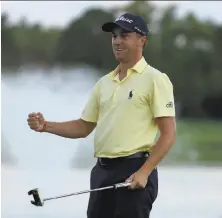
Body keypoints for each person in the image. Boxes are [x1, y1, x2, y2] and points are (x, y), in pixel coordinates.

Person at [27, 13, 176, 218]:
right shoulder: (104, 83)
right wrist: (46, 126)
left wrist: (144, 171)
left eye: (124, 35)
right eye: (114, 36)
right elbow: (83, 127)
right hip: (101, 171)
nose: (117, 41)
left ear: (142, 40)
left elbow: (168, 135)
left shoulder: (156, 79)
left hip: (135, 169)